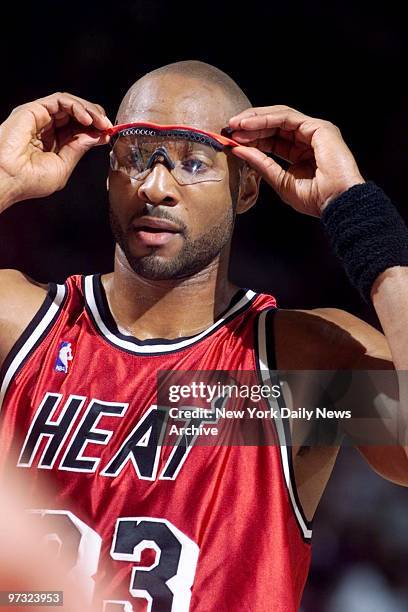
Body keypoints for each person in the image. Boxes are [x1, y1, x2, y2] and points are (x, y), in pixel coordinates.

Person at [0, 60, 407, 612]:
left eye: (193, 162)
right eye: (136, 157)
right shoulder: (19, 325)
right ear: (107, 173)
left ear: (246, 191)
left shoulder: (295, 375)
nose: (156, 186)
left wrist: (353, 209)